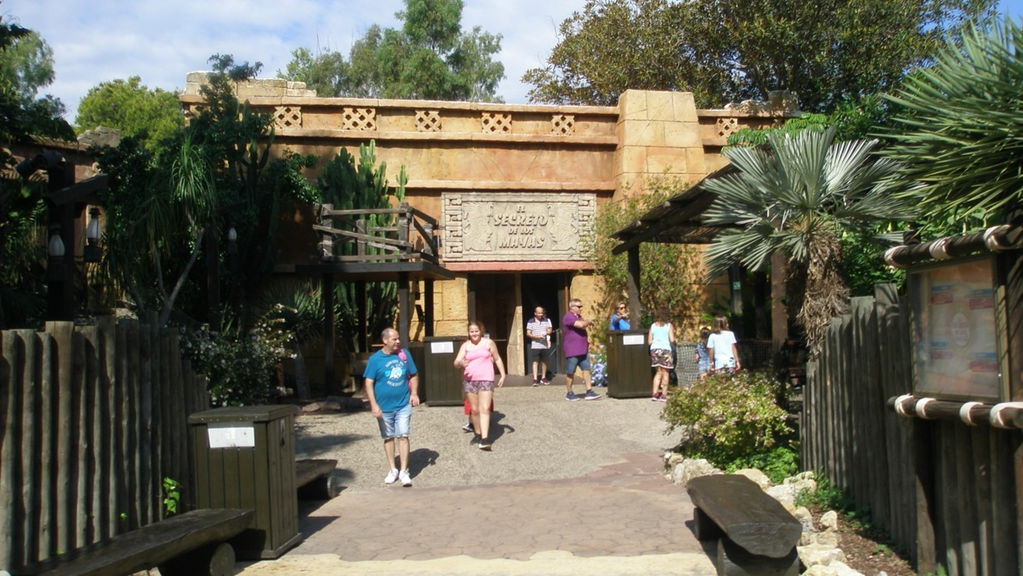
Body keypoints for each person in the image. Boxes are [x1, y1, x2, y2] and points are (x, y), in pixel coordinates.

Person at [363, 327, 420, 487]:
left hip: (403, 404)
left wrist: (414, 393)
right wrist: (374, 405)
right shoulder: (375, 359)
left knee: (403, 435)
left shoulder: (404, 354)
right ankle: (392, 469)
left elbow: (414, 374)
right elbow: (369, 382)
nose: (398, 341)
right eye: (394, 339)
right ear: (385, 340)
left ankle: (404, 470)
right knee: (388, 437)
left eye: (398, 338)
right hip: (384, 407)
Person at [453, 322, 507, 450]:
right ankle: (477, 433)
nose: (474, 333)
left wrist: (503, 374)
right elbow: (456, 362)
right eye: (471, 331)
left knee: (485, 408)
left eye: (476, 331)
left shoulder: (488, 343)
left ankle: (485, 438)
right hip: (470, 381)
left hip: (486, 379)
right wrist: (461, 363)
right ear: (468, 333)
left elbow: (497, 358)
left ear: (481, 331)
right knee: (475, 410)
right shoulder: (465, 345)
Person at [561, 298, 601, 401]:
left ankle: (589, 391)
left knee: (586, 370)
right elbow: (580, 325)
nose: (581, 308)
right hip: (572, 350)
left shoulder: (579, 317)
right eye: (579, 306)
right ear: (572, 307)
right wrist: (588, 321)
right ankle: (569, 393)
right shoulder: (568, 317)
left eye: (581, 306)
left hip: (583, 350)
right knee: (570, 372)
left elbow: (583, 326)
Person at [648, 310, 675, 401]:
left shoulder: (653, 326)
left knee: (658, 372)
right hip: (665, 350)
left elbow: (649, 341)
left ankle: (654, 394)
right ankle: (663, 395)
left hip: (655, 350)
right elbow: (672, 339)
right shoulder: (669, 326)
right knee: (665, 373)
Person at [526, 306, 553, 386]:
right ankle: (535, 379)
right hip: (535, 345)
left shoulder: (546, 320)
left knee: (544, 361)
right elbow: (528, 333)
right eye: (539, 313)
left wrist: (547, 332)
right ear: (535, 313)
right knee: (535, 361)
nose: (541, 314)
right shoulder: (531, 321)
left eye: (542, 313)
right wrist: (536, 337)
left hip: (544, 345)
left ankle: (543, 378)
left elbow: (549, 330)